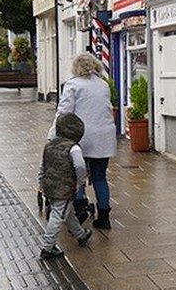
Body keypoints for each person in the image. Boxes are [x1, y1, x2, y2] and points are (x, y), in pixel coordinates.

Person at [50, 53, 117, 229]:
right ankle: (104, 218)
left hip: (81, 138)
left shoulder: (73, 85)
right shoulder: (103, 85)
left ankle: (80, 212)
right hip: (103, 137)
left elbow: (64, 112)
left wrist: (53, 134)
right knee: (100, 176)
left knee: (77, 176)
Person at [39, 113, 93, 259]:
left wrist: (41, 184)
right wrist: (79, 183)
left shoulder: (49, 146)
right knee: (58, 216)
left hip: (50, 187)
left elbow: (42, 167)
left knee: (68, 213)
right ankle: (47, 248)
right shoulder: (74, 148)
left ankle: (81, 235)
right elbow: (80, 166)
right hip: (65, 189)